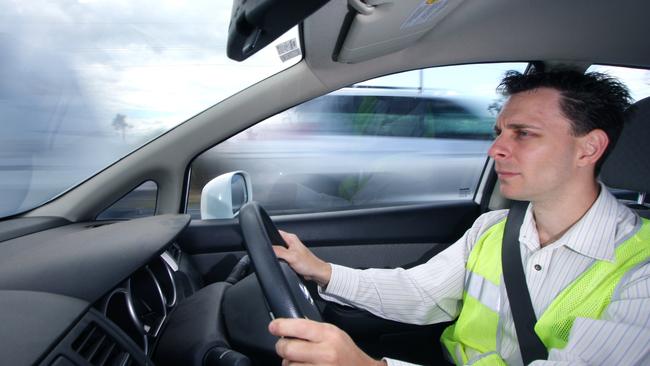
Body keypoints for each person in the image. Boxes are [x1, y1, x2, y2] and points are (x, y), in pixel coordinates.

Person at [268, 70, 650, 365]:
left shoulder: (642, 270)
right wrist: (320, 270)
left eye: (524, 134)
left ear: (589, 148)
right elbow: (420, 293)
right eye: (499, 132)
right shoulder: (495, 228)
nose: (495, 148)